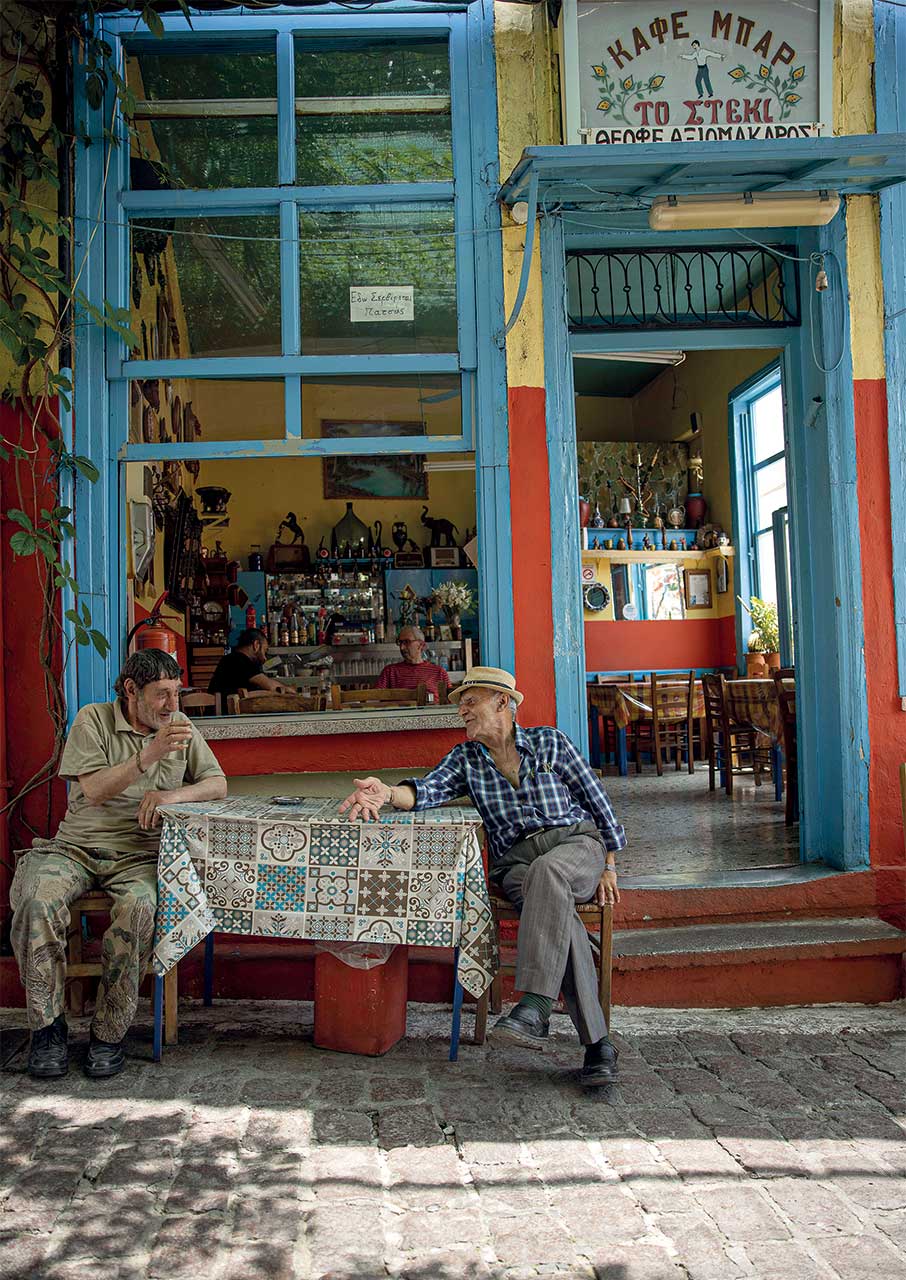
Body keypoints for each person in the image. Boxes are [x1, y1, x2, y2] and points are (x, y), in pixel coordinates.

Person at [340, 666, 625, 1086]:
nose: (462, 711)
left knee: (550, 873)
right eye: (461, 704)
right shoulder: (466, 760)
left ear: (502, 702)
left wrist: (610, 865)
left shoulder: (550, 742)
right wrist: (386, 793)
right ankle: (598, 1045)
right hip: (517, 865)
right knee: (556, 909)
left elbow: (597, 802)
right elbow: (426, 790)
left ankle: (536, 1004)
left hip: (575, 847)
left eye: (471, 701)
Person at [10, 649, 227, 1080]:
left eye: (177, 693)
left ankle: (108, 1034)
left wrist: (170, 796)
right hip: (74, 849)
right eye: (162, 694)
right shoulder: (92, 720)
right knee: (36, 902)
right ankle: (47, 1031)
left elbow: (217, 783)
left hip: (138, 855)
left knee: (141, 908)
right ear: (131, 689)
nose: (172, 704)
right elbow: (92, 790)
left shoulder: (181, 727)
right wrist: (148, 756)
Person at [375, 625, 451, 702]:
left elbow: (452, 701)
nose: (402, 647)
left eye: (406, 642)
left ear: (421, 645)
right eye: (400, 642)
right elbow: (375, 699)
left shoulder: (439, 672)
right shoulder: (389, 672)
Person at [208, 628, 290, 700]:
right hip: (227, 712)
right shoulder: (240, 660)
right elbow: (271, 686)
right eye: (265, 651)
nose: (265, 658)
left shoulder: (230, 658)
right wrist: (290, 691)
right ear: (256, 645)